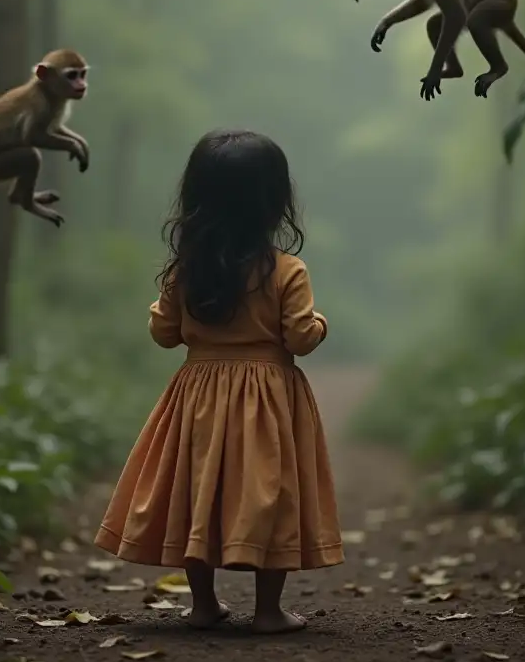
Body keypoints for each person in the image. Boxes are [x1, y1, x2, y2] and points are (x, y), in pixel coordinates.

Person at [94, 129, 343, 634]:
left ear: (197, 201)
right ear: (275, 201)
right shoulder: (288, 271)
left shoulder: (186, 271)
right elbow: (299, 339)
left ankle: (203, 605)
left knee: (196, 489)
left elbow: (164, 334)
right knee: (273, 492)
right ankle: (269, 612)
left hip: (198, 395)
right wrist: (321, 324)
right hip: (269, 399)